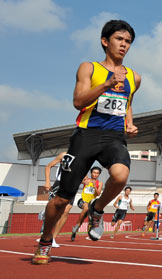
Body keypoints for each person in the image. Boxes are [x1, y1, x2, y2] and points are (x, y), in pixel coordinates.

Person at [32, 20, 140, 265]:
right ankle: (46, 240)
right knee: (60, 200)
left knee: (121, 176)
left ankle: (97, 209)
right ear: (105, 41)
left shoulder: (135, 76)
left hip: (114, 137)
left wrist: (129, 124)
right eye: (119, 39)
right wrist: (105, 85)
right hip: (86, 135)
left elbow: (128, 103)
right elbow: (78, 102)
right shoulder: (89, 68)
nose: (124, 45)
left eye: (128, 42)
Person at [41, 152, 74, 248]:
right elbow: (48, 166)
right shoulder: (64, 155)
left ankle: (53, 238)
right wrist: (47, 182)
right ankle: (46, 233)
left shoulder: (83, 156)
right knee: (55, 210)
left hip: (72, 186)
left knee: (66, 211)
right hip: (59, 184)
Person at [71, 167, 103, 241]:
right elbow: (76, 181)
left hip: (90, 203)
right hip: (82, 200)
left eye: (97, 173)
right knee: (86, 208)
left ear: (99, 174)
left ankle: (74, 231)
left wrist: (95, 186)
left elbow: (98, 194)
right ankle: (76, 227)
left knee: (83, 218)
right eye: (94, 172)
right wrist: (83, 182)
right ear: (91, 173)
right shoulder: (86, 179)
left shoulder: (100, 183)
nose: (95, 174)